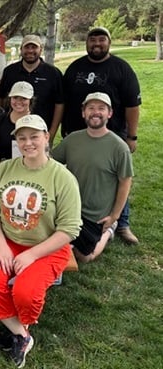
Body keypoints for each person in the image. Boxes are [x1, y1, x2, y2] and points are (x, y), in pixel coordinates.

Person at [0, 114, 82, 368]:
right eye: (22, 138)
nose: (28, 143)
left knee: (27, 293)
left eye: (34, 136)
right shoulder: (5, 168)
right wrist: (1, 245)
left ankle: (15, 330)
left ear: (47, 137)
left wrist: (32, 255)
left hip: (47, 246)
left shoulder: (63, 177)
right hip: (7, 239)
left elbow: (69, 229)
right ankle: (22, 335)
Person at [62, 27, 141, 244]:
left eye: (101, 40)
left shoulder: (121, 69)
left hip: (111, 134)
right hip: (77, 134)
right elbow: (63, 102)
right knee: (78, 176)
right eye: (92, 40)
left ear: (109, 43)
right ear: (86, 43)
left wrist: (131, 136)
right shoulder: (75, 68)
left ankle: (121, 223)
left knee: (117, 178)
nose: (97, 44)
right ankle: (75, 214)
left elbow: (133, 105)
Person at [52, 92, 133, 262]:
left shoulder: (119, 147)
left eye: (101, 108)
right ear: (83, 112)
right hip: (69, 208)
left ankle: (108, 232)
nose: (95, 112)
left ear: (109, 113)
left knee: (84, 256)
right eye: (91, 108)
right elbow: (50, 161)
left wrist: (114, 216)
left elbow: (125, 182)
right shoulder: (72, 139)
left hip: (95, 214)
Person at [0, 35, 64, 143]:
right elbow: (0, 98)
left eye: (34, 47)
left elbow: (59, 104)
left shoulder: (53, 73)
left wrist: (51, 133)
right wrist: (0, 125)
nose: (30, 51)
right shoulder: (10, 71)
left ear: (40, 49)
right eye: (27, 47)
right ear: (21, 49)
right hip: (12, 131)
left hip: (41, 131)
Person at [0, 81, 34, 169]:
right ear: (10, 98)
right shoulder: (0, 120)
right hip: (4, 168)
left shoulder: (37, 123)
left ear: (30, 100)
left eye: (23, 98)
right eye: (15, 97)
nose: (19, 102)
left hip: (30, 168)